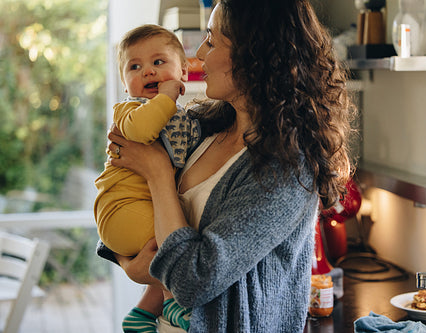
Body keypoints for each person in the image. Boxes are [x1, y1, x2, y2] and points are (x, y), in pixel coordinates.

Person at [98, 0, 355, 331]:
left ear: (255, 53)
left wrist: (158, 174)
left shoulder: (286, 171)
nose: (201, 52)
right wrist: (128, 263)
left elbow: (195, 282)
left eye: (211, 38)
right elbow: (123, 199)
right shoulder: (199, 125)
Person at [94, 24, 199, 332]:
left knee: (172, 234)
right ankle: (172, 301)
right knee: (179, 237)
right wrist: (165, 98)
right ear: (125, 84)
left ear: (184, 71)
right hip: (123, 208)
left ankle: (142, 313)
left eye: (158, 62)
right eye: (135, 66)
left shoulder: (184, 117)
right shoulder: (129, 109)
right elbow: (143, 130)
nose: (149, 72)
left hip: (129, 212)